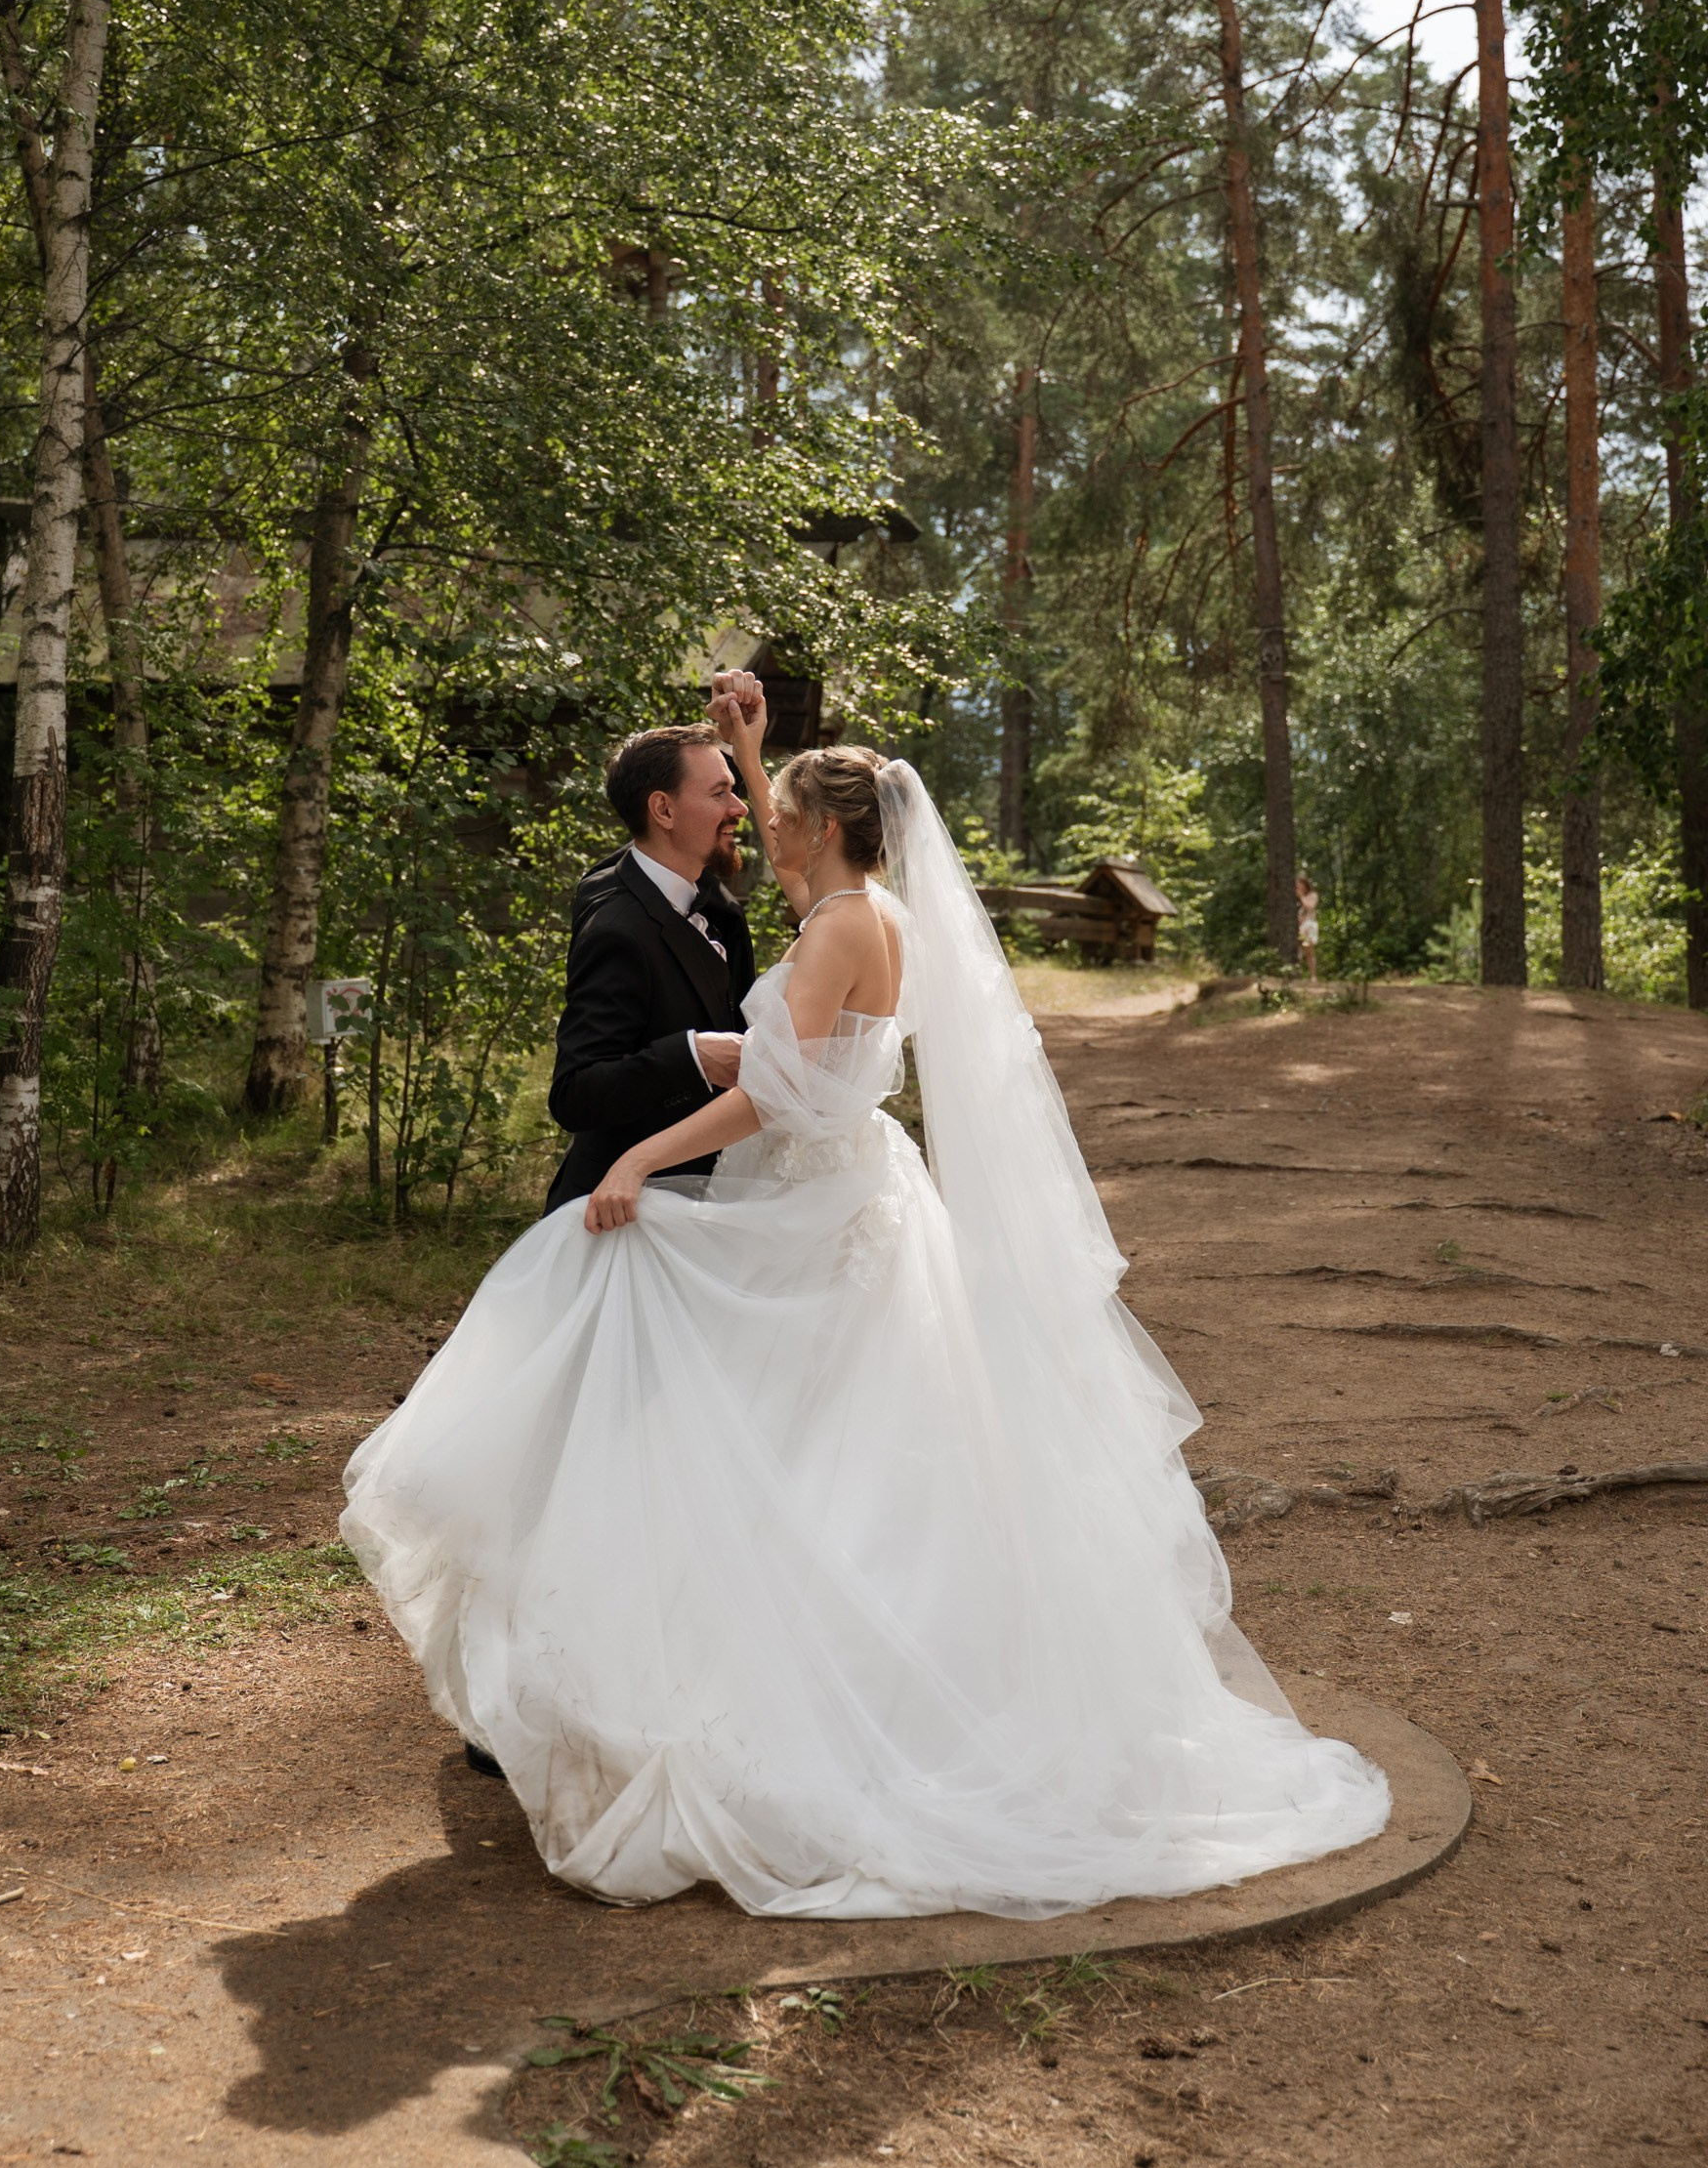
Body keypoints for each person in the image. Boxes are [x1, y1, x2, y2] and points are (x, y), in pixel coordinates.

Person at [340, 677, 1389, 1919]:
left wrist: (635, 1157)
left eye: (769, 803)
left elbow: (778, 1087)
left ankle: (776, 1695)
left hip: (804, 1208)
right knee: (835, 1453)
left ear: (819, 827)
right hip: (855, 1204)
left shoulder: (834, 927)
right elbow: (803, 939)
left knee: (779, 1445)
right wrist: (754, 745)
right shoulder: (860, 906)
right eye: (736, 796)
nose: (755, 815)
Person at [542, 721, 757, 1218]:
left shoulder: (702, 890)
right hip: (626, 1213)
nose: (739, 808)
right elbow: (574, 1094)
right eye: (721, 791)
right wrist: (692, 1056)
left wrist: (739, 734)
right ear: (662, 809)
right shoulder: (616, 930)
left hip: (706, 1199)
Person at [1297, 869, 1321, 981]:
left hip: (1310, 926)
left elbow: (1310, 906)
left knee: (1309, 951)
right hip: (1301, 927)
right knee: (1299, 952)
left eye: (1300, 886)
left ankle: (1313, 976)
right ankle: (1299, 975)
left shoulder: (1313, 895)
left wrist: (1301, 896)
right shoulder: (1298, 901)